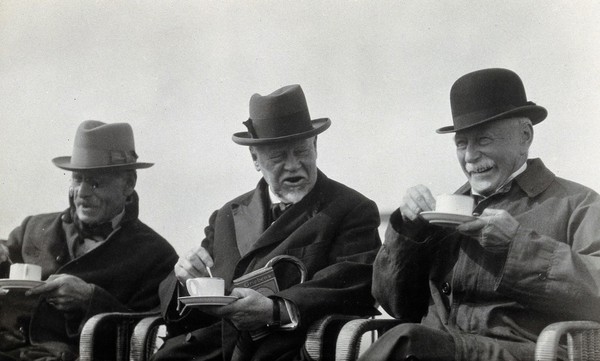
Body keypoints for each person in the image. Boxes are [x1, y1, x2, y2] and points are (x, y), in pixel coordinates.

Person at [360, 68, 600, 361]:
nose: (470, 156)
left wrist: (517, 245)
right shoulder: (446, 212)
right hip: (441, 348)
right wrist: (408, 234)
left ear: (525, 136)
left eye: (484, 140)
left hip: (521, 352)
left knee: (408, 342)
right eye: (462, 143)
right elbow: (396, 305)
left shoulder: (577, 204)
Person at [152, 84, 382, 361]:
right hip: (217, 350)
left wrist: (275, 310)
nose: (294, 164)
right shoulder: (226, 215)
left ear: (316, 147)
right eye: (278, 157)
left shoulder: (351, 209)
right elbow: (190, 301)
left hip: (290, 350)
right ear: (255, 160)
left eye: (301, 151)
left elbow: (354, 284)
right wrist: (184, 277)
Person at [0, 120, 178, 361]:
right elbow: (6, 266)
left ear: (128, 184)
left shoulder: (155, 255)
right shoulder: (33, 227)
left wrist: (91, 299)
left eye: (95, 182)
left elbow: (150, 332)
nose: (82, 193)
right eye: (77, 179)